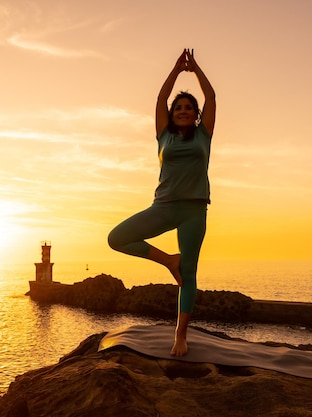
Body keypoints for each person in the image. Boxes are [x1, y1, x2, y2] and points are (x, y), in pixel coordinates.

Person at [108, 49, 216, 356]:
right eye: (178, 107)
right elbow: (159, 99)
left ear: (195, 115)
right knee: (117, 238)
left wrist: (194, 69)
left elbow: (212, 98)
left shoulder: (203, 135)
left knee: (190, 275)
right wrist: (174, 69)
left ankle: (180, 335)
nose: (182, 110)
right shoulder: (163, 136)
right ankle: (169, 260)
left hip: (194, 209)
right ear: (171, 114)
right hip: (164, 207)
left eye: (188, 107)